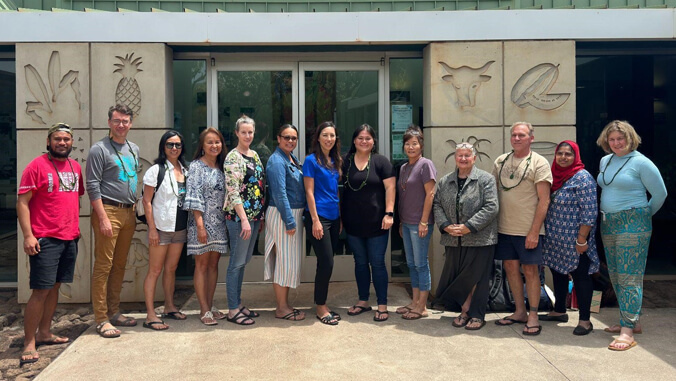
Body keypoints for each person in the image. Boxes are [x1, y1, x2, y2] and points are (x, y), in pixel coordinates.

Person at [596, 120, 667, 351]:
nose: (616, 143)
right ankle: (630, 320)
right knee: (616, 275)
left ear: (630, 138)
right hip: (609, 223)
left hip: (633, 223)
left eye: (621, 138)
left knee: (629, 276)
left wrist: (641, 216)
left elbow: (660, 194)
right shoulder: (605, 160)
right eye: (612, 139)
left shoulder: (641, 162)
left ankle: (627, 331)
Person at [17, 123, 84, 365]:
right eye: (57, 139)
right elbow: (22, 203)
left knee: (55, 287)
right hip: (45, 238)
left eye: (66, 139)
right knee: (40, 291)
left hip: (69, 237)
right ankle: (28, 342)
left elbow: (73, 199)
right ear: (48, 141)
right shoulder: (36, 166)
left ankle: (45, 332)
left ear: (71, 142)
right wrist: (28, 235)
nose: (62, 143)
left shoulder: (76, 167)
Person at [492, 121, 552, 336]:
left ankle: (533, 314)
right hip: (504, 228)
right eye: (514, 135)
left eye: (522, 135)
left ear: (531, 138)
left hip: (528, 230)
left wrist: (535, 231)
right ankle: (519, 311)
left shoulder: (540, 163)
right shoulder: (500, 161)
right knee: (510, 268)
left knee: (530, 271)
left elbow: (544, 200)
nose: (517, 138)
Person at [87, 104, 141, 338]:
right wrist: (102, 218)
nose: (121, 125)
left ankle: (114, 312)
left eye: (125, 121)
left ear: (131, 123)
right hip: (108, 211)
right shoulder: (99, 149)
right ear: (109, 122)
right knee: (103, 266)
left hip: (129, 212)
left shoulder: (133, 148)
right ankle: (101, 319)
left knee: (119, 265)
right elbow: (92, 185)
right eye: (117, 120)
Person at [433, 142, 498, 330]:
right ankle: (465, 310)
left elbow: (491, 207)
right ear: (455, 158)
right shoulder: (446, 181)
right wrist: (445, 226)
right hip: (453, 239)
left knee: (477, 277)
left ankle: (477, 314)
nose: (463, 159)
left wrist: (469, 226)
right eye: (460, 155)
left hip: (480, 238)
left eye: (467, 155)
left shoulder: (485, 179)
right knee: (460, 277)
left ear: (474, 158)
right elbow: (437, 204)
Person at [540, 141, 598, 336]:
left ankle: (585, 320)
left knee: (581, 276)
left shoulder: (583, 178)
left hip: (576, 240)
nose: (563, 157)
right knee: (557, 272)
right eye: (560, 153)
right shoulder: (553, 175)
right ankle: (559, 311)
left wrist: (582, 239)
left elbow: (590, 212)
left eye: (568, 154)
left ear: (576, 157)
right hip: (555, 239)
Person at [342, 124, 396, 322]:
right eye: (360, 138)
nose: (364, 141)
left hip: (378, 222)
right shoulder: (346, 161)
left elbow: (391, 189)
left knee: (378, 263)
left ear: (374, 141)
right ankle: (363, 300)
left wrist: (389, 213)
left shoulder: (381, 162)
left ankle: (382, 304)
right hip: (353, 222)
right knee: (360, 263)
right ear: (354, 140)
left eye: (368, 138)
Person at [141, 131, 189, 330]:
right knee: (155, 270)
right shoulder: (156, 170)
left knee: (171, 269)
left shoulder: (184, 170)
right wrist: (152, 229)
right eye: (170, 145)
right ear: (163, 147)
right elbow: (146, 201)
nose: (174, 148)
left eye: (178, 145)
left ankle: (169, 306)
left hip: (179, 227)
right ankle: (150, 315)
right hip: (160, 228)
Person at [183, 127, 228, 326]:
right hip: (200, 223)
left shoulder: (222, 166)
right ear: (202, 145)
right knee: (201, 265)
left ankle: (210, 305)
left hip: (219, 224)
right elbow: (193, 196)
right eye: (209, 142)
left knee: (213, 265)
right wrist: (200, 225)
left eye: (217, 142)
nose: (214, 145)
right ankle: (203, 309)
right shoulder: (196, 167)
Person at [224, 116, 266, 325]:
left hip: (255, 217)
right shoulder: (233, 158)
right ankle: (232, 309)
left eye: (250, 132)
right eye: (244, 132)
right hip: (240, 219)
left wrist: (259, 217)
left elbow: (259, 185)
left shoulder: (255, 155)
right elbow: (233, 192)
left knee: (243, 262)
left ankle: (238, 303)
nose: (247, 136)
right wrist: (244, 220)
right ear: (237, 133)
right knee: (236, 264)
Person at [265, 124, 307, 322]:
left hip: (292, 213)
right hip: (284, 214)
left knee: (288, 263)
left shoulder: (291, 158)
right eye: (287, 137)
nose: (291, 141)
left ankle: (285, 304)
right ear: (278, 138)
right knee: (284, 262)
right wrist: (289, 221)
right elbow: (279, 193)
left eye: (294, 138)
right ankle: (281, 308)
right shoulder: (276, 161)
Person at [395, 125, 436, 320]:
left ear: (421, 145)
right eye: (407, 144)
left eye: (414, 143)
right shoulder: (404, 167)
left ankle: (423, 306)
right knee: (411, 264)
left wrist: (424, 222)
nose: (411, 147)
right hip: (407, 222)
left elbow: (430, 194)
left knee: (421, 264)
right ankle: (414, 301)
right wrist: (402, 222)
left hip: (421, 223)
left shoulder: (425, 164)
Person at [303, 122, 342, 325]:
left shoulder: (334, 160)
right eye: (325, 135)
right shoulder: (311, 160)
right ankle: (320, 307)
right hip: (318, 218)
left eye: (332, 135)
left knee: (326, 262)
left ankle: (322, 302)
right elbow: (309, 191)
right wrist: (316, 220)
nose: (329, 139)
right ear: (318, 138)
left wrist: (340, 217)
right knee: (327, 261)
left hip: (334, 217)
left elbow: (336, 191)